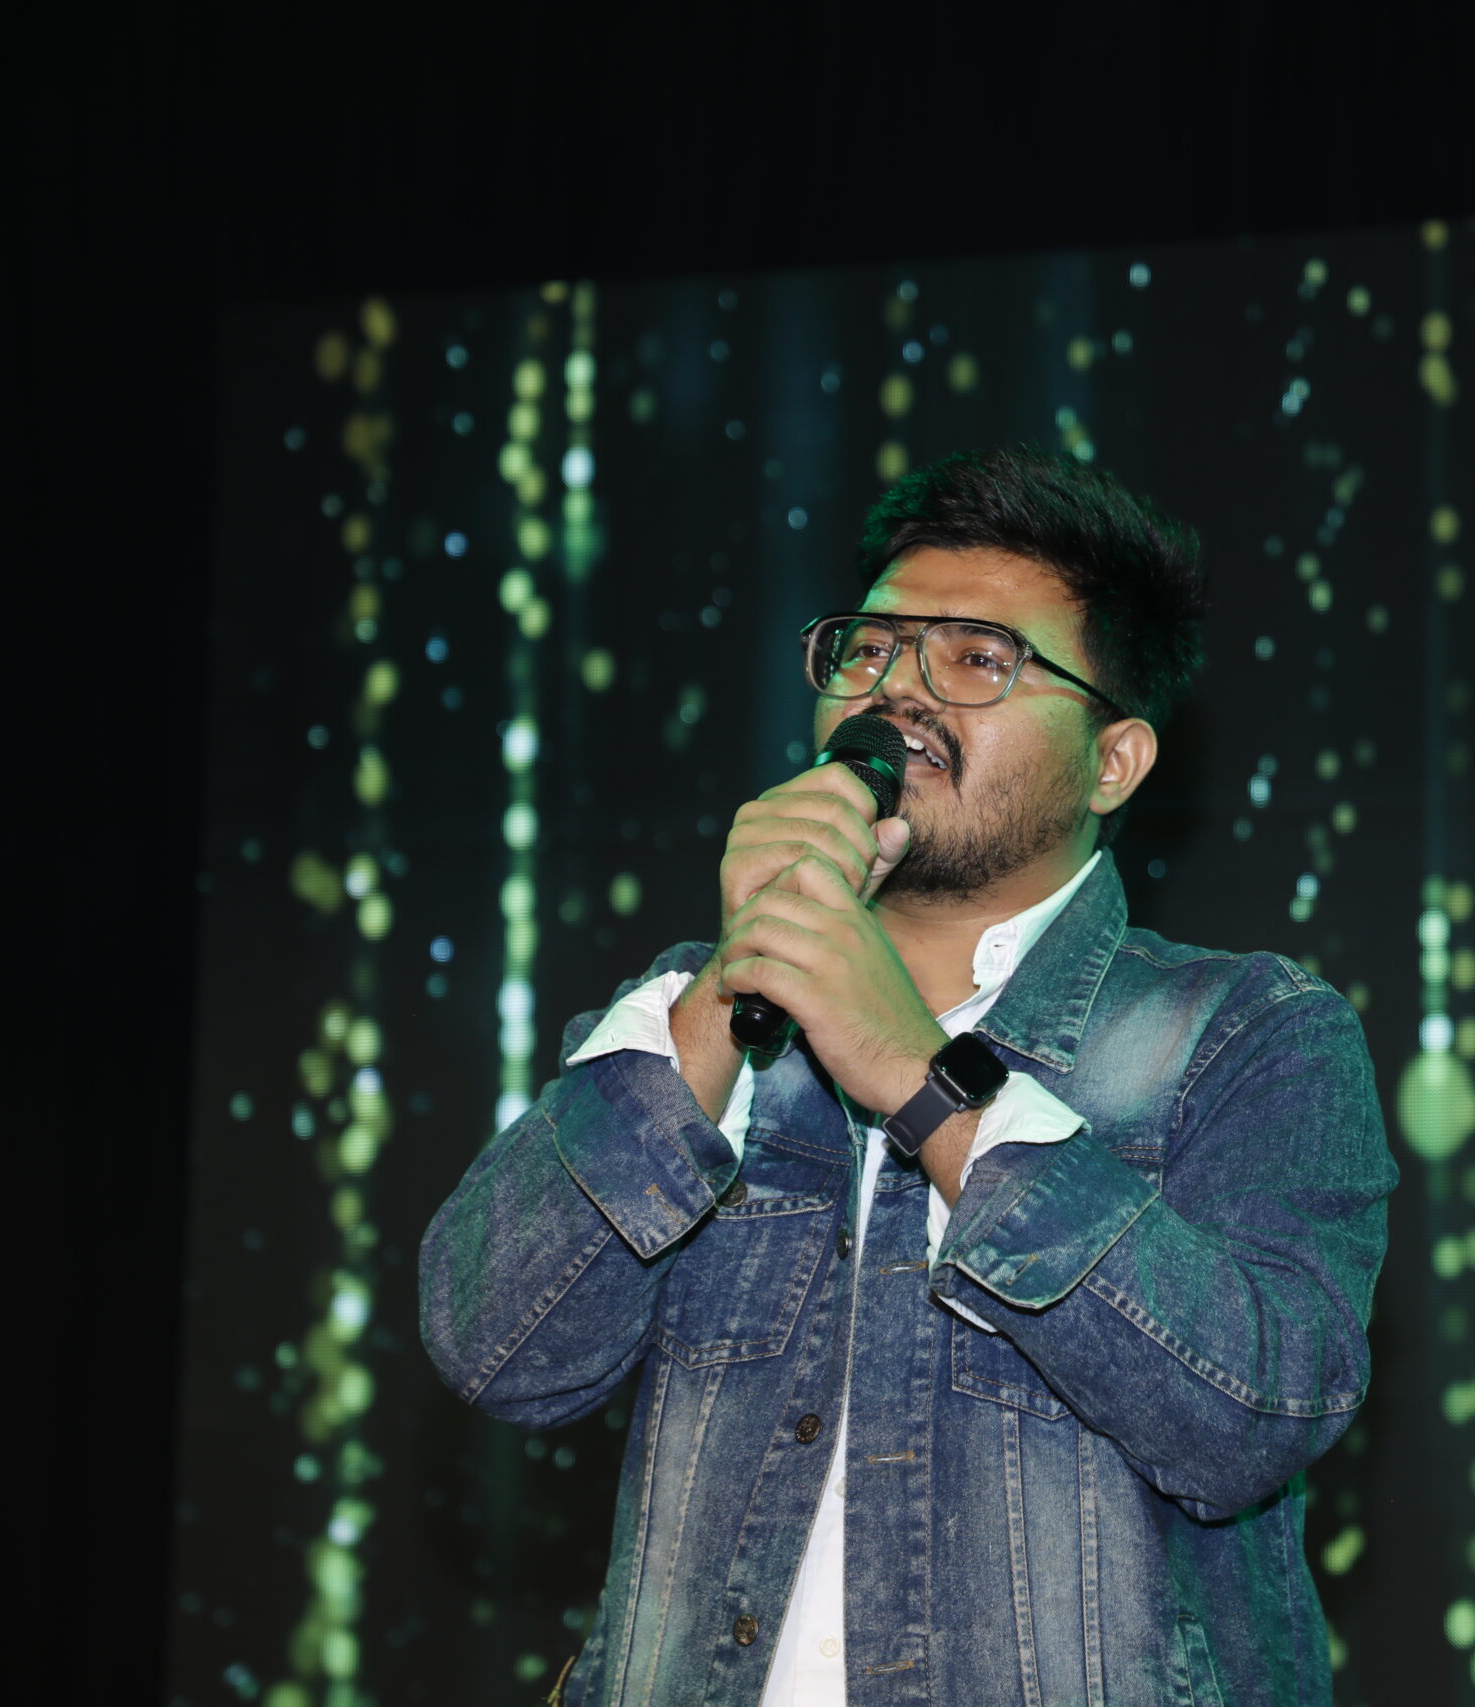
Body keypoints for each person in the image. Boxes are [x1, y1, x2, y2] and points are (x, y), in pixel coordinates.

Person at [419, 445, 1397, 1707]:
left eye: (979, 660)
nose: (897, 693)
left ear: (1114, 761)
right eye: (870, 650)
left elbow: (1252, 1418)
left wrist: (921, 1078)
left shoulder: (1244, 1032)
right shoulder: (692, 1014)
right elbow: (498, 1348)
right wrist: (729, 980)